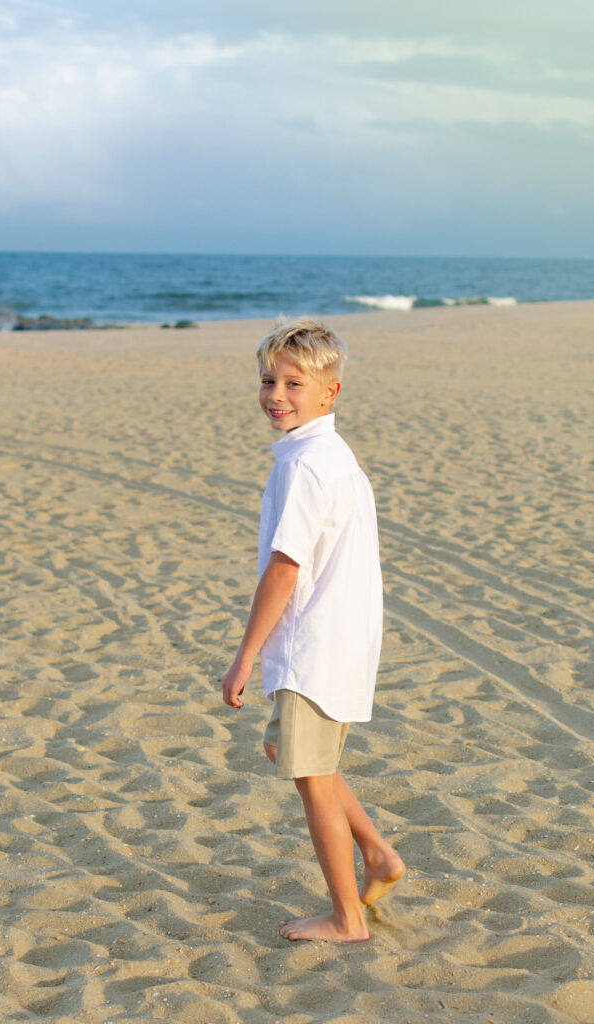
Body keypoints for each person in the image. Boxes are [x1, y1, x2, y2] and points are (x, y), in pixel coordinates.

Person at [221, 317, 405, 942]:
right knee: (290, 749)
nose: (276, 395)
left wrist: (246, 655)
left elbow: (285, 566)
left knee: (313, 779)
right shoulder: (329, 452)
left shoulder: (304, 466)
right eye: (268, 380)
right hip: (343, 635)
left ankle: (348, 917)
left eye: (294, 383)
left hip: (316, 644)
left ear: (331, 392)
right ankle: (378, 854)